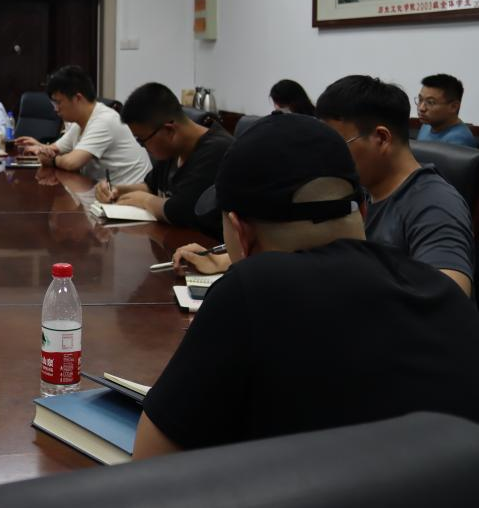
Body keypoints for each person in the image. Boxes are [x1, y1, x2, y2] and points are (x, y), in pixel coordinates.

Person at [134, 114, 479, 459]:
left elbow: (150, 463)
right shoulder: (440, 289)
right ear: (362, 210)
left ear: (241, 232)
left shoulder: (251, 292)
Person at [176, 76, 475, 296]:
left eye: (337, 143)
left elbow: (449, 295)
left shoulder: (435, 203)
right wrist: (224, 259)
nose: (326, 155)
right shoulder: (356, 189)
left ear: (381, 139)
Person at [96, 82, 233, 239]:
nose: (142, 147)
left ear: (169, 130)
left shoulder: (217, 151)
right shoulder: (173, 149)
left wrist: (146, 201)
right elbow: (151, 187)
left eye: (142, 140)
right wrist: (118, 190)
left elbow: (180, 212)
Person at [16, 66, 151, 186]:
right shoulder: (79, 124)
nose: (55, 109)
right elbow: (54, 149)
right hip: (106, 192)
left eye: (58, 103)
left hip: (132, 195)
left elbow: (72, 163)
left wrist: (51, 161)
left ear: (77, 98)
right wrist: (41, 148)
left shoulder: (104, 120)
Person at [416, 73, 478, 148]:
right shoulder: (427, 125)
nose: (421, 108)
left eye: (430, 102)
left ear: (454, 107)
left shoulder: (459, 140)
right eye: (420, 100)